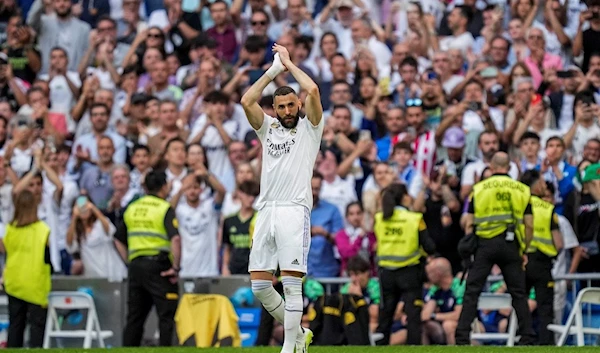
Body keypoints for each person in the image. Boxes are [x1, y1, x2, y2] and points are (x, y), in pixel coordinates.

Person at [240, 43, 324, 353]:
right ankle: (300, 333)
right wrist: (274, 71)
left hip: (294, 209)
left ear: (298, 104)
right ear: (275, 109)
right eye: (281, 107)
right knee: (260, 286)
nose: (287, 111)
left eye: (291, 105)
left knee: (291, 284)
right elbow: (247, 99)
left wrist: (289, 62)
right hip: (266, 211)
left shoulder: (309, 129)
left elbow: (313, 88)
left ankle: (291, 348)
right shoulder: (268, 129)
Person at [456, 152, 536, 345]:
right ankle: (527, 336)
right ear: (509, 168)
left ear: (491, 167)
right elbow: (529, 224)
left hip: (484, 245)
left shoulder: (480, 188)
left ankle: (461, 337)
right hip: (510, 244)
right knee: (518, 293)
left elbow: (469, 222)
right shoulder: (522, 190)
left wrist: (470, 244)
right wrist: (524, 248)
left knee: (472, 291)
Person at [115, 170, 182, 347]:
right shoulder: (164, 208)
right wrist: (175, 267)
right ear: (165, 186)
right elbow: (175, 238)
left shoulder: (132, 208)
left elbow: (117, 239)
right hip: (159, 266)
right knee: (166, 315)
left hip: (136, 266)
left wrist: (129, 261)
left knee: (135, 317)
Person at [374, 183, 435, 345]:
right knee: (413, 315)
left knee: (385, 314)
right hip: (410, 273)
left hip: (386, 273)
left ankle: (380, 346)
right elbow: (429, 246)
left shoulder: (380, 218)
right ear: (404, 197)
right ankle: (413, 347)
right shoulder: (415, 219)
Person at [0, 190, 51, 348]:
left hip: (14, 282)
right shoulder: (43, 229)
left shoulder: (10, 230)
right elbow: (48, 257)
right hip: (35, 283)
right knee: (37, 327)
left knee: (15, 325)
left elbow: (4, 250)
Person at [519, 169, 563, 345]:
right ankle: (546, 345)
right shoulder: (548, 209)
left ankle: (521, 341)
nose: (545, 185)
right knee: (545, 309)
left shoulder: (518, 204)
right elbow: (558, 243)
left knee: (520, 305)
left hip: (521, 261)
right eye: (543, 182)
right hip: (543, 263)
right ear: (536, 184)